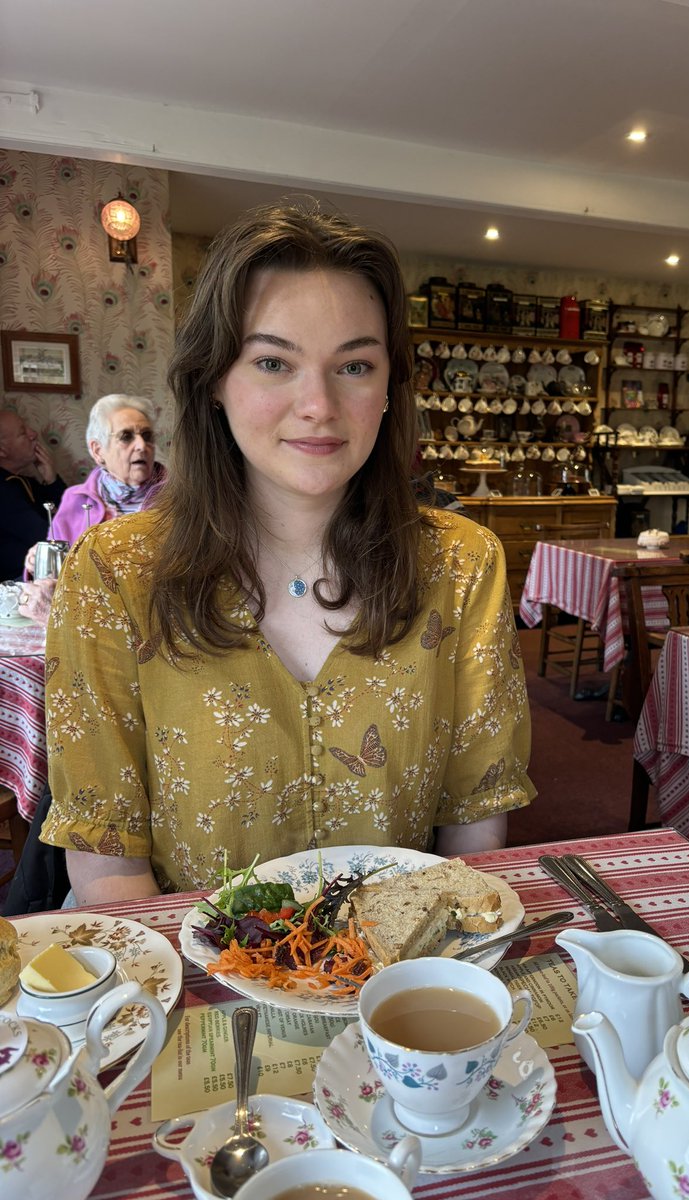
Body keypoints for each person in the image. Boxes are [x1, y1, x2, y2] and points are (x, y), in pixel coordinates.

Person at [42, 202, 535, 904]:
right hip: (198, 982)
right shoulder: (115, 572)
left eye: (355, 365)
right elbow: (108, 857)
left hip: (398, 982)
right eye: (274, 361)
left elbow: (472, 825)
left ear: (390, 387)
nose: (318, 404)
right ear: (214, 380)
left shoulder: (463, 565)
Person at [17, 394, 164, 625]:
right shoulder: (75, 500)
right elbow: (53, 580)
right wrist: (38, 563)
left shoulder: (181, 499)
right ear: (98, 451)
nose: (141, 446)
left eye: (147, 436)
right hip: (87, 623)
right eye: (126, 437)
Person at [0, 409, 65, 579]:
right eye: (23, 432)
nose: (33, 434)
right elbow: (49, 537)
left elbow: (71, 515)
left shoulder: (25, 482)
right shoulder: (3, 490)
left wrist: (51, 480)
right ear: (2, 450)